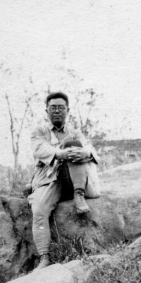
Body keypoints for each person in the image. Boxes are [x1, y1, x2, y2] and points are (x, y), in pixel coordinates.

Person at [27, 91, 100, 270]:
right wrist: (60, 153)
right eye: (53, 108)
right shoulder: (39, 132)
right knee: (39, 209)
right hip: (50, 179)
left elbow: (90, 148)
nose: (57, 111)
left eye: (61, 108)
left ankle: (79, 194)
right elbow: (40, 149)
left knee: (74, 146)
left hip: (74, 178)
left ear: (68, 110)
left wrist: (85, 152)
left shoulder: (74, 131)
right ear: (47, 111)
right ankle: (44, 257)